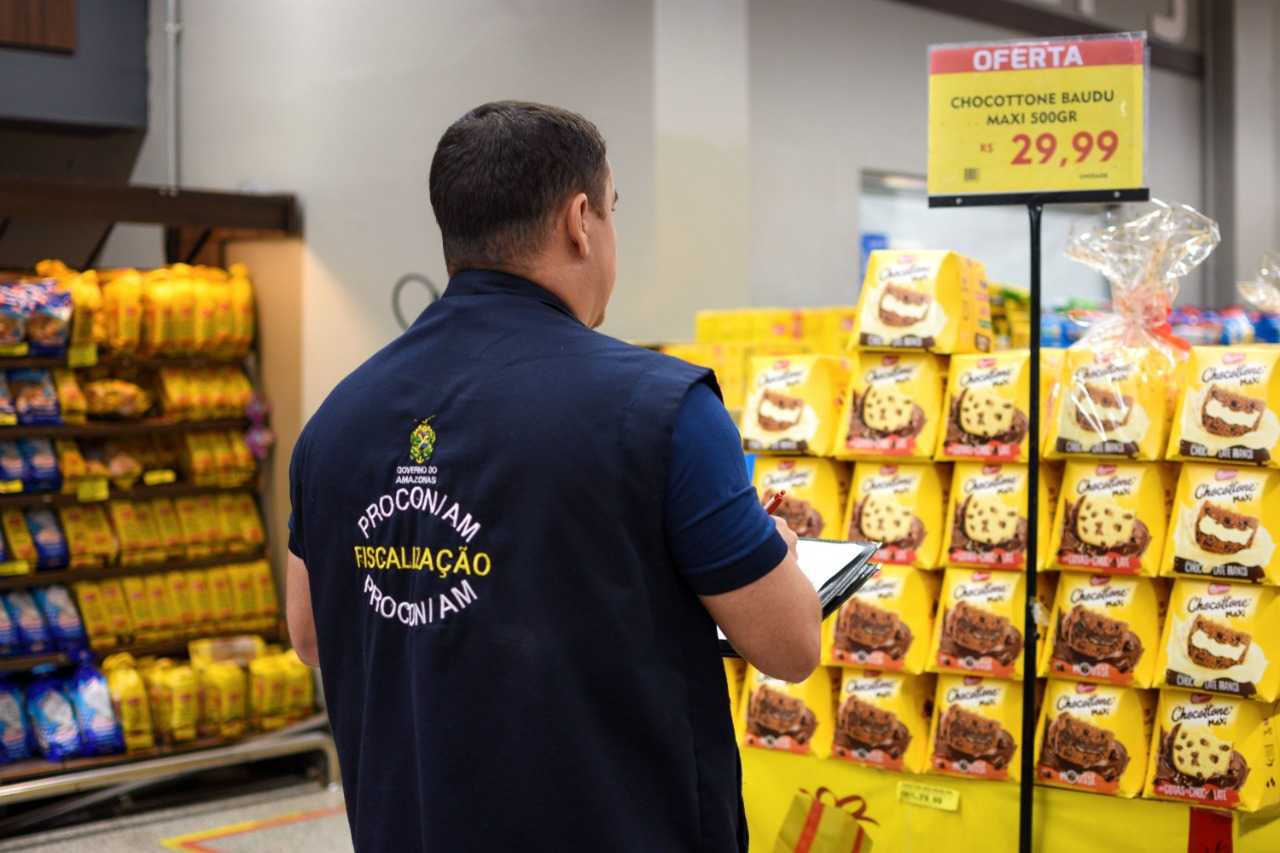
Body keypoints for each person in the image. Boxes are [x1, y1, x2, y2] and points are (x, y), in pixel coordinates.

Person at [286, 100, 821, 852]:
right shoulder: (663, 407)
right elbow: (790, 646)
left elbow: (309, 633)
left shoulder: (336, 419)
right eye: (612, 209)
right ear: (580, 221)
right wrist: (777, 556)